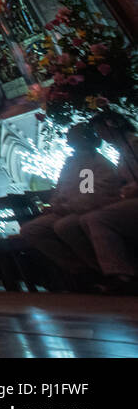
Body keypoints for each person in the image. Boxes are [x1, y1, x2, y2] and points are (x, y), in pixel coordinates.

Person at [19, 122, 121, 287]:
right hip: (65, 210)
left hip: (82, 210)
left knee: (65, 226)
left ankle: (96, 270)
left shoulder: (90, 164)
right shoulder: (71, 163)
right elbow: (60, 188)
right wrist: (54, 204)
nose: (68, 141)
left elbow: (86, 195)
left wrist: (65, 207)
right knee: (31, 230)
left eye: (72, 137)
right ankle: (77, 268)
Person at [80, 111, 138, 295]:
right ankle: (93, 270)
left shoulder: (91, 164)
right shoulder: (80, 163)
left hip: (100, 205)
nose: (101, 136)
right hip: (92, 205)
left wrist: (72, 204)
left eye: (100, 130)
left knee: (86, 220)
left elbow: (87, 192)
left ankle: (114, 273)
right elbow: (72, 191)